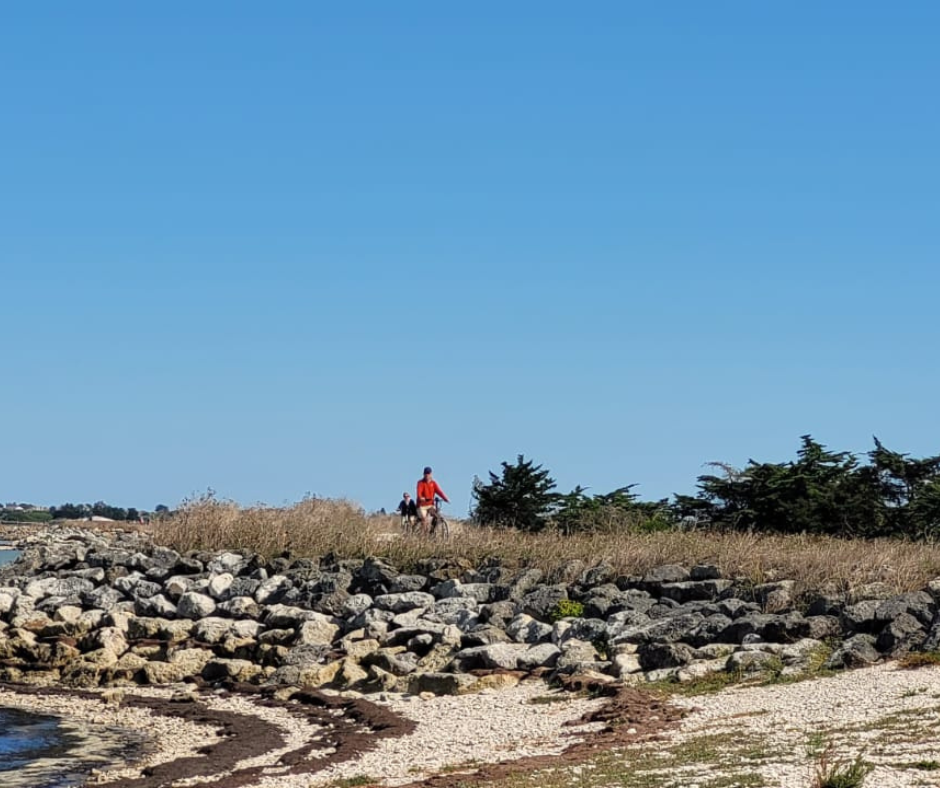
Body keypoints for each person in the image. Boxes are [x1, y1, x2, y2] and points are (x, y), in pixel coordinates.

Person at [416, 466, 449, 533]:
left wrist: (445, 499)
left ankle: (432, 532)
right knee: (424, 519)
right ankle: (423, 536)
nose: (427, 475)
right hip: (421, 506)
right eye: (426, 474)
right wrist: (421, 498)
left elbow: (439, 491)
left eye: (428, 474)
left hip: (430, 505)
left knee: (437, 517)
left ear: (431, 474)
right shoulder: (420, 483)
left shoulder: (433, 483)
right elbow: (419, 493)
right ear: (424, 474)